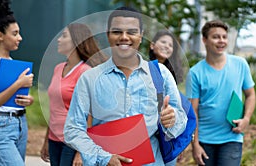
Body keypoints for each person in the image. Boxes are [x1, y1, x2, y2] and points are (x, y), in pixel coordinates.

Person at [64, 6, 187, 166]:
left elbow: (180, 120)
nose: (124, 37)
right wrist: (103, 157)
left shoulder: (160, 74)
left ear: (141, 36)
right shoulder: (90, 78)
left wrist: (172, 119)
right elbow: (73, 129)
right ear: (108, 35)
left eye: (131, 31)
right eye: (117, 32)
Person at [186, 20, 256, 166]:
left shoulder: (240, 64)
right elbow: (193, 111)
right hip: (205, 139)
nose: (221, 41)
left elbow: (250, 95)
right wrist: (195, 145)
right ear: (204, 40)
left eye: (224, 37)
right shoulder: (195, 73)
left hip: (232, 136)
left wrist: (247, 119)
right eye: (216, 37)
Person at [40, 23, 108, 166]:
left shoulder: (85, 72)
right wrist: (46, 140)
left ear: (77, 42)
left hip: (72, 143)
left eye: (64, 36)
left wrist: (81, 151)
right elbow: (54, 108)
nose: (58, 39)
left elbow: (90, 114)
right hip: (54, 140)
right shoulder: (58, 68)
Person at [0, 0, 34, 165]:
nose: (20, 38)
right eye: (15, 33)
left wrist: (28, 100)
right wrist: (18, 84)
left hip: (19, 124)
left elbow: (10, 98)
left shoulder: (11, 63)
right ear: (0, 36)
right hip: (0, 128)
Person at [149, 29, 185, 165]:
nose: (166, 46)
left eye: (170, 45)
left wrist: (180, 141)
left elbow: (180, 108)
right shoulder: (141, 68)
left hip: (169, 134)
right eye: (163, 42)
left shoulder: (173, 74)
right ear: (152, 45)